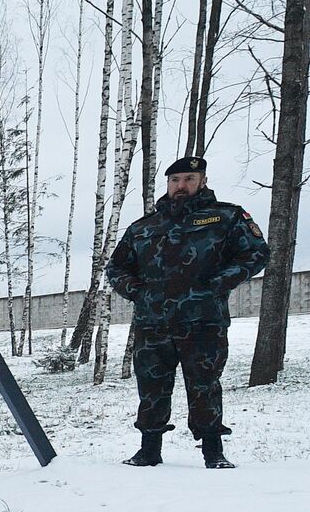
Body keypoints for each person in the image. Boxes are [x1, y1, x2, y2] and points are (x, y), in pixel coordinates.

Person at [106, 156, 270, 469]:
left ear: (202, 182)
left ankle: (213, 451)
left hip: (203, 320)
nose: (181, 186)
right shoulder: (143, 228)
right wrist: (137, 292)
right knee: (151, 388)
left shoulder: (226, 217)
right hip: (153, 324)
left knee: (204, 385)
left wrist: (220, 282)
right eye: (175, 180)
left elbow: (256, 253)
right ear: (168, 184)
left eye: (188, 180)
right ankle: (149, 450)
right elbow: (116, 267)